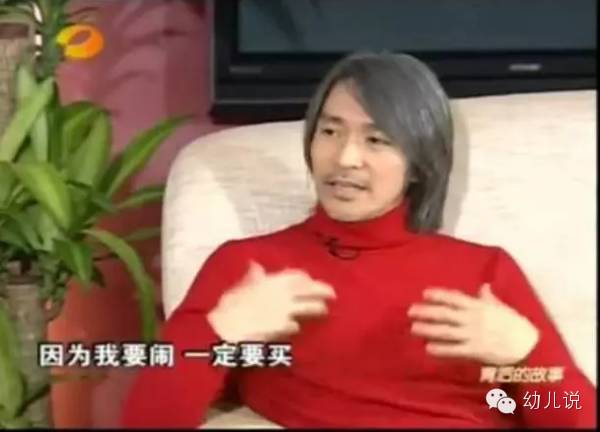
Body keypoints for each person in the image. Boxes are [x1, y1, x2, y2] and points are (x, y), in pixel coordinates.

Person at [121, 52, 596, 428]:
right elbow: (148, 419)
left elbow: (576, 416)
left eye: (376, 140)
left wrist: (526, 356)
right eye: (330, 131)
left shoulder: (484, 273)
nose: (345, 158)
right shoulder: (251, 270)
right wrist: (220, 330)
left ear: (420, 162)